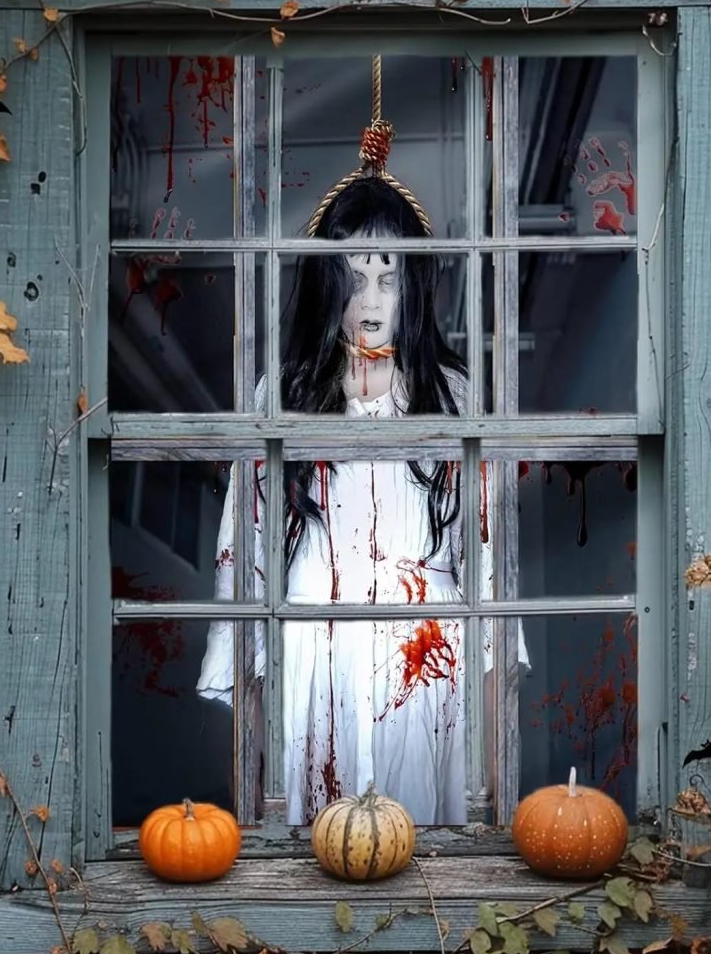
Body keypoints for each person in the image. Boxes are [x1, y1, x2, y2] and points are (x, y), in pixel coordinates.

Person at [196, 176, 528, 826]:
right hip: (311, 663)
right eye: (352, 280)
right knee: (313, 852)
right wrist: (254, 761)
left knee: (428, 866)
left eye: (388, 279)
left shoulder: (455, 399)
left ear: (415, 288)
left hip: (428, 669)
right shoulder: (280, 397)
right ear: (327, 287)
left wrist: (492, 784)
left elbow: (489, 571)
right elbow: (244, 573)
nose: (369, 302)